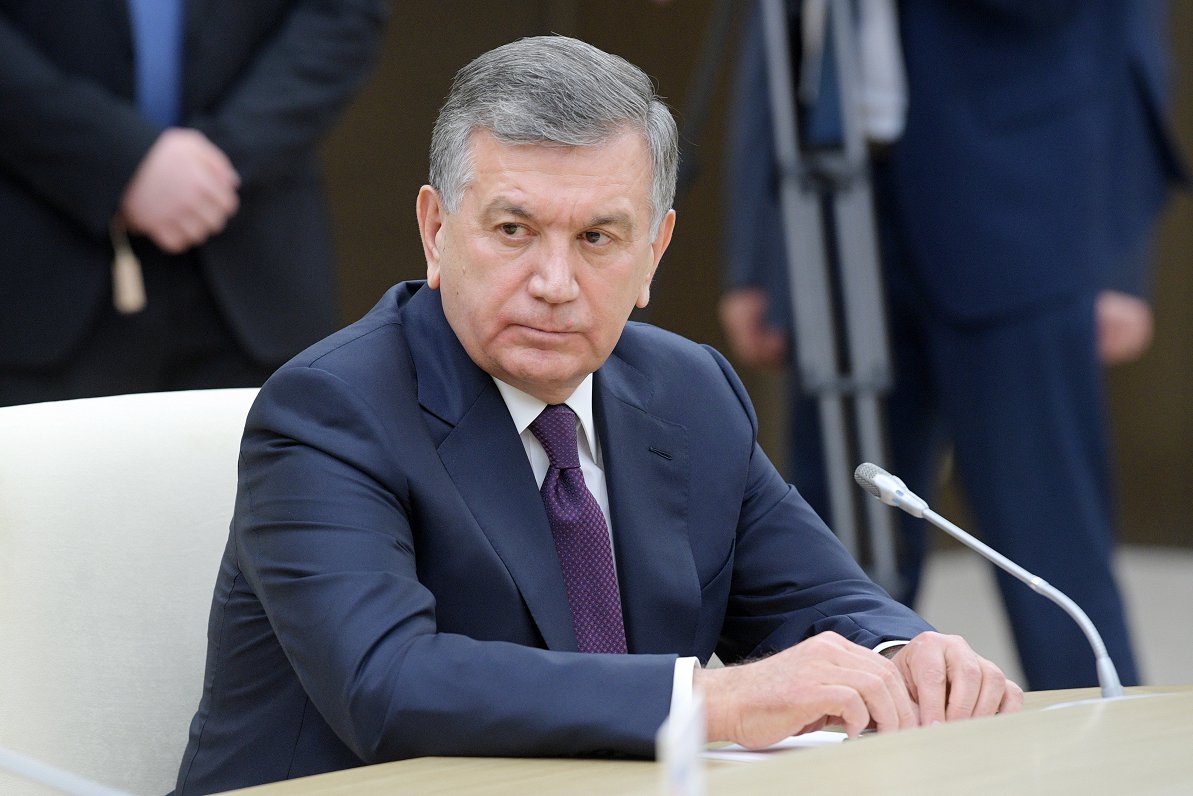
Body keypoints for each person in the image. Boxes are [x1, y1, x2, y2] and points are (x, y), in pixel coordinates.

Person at [174, 35, 1021, 795]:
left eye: (596, 239)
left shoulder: (689, 392)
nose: (553, 283)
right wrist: (708, 700)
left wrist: (901, 656)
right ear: (436, 231)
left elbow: (819, 598)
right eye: (514, 230)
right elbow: (387, 686)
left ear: (652, 253)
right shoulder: (331, 411)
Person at [720, 1, 1186, 690]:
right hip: (838, 209)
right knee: (833, 537)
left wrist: (1117, 259)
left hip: (1019, 212)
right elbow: (777, 39)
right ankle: (843, 733)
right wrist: (761, 255)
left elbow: (1120, 33)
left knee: (1049, 538)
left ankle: (1102, 735)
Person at [0, 1, 388, 407]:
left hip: (254, 276)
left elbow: (341, 15)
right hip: (39, 274)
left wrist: (218, 166)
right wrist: (119, 160)